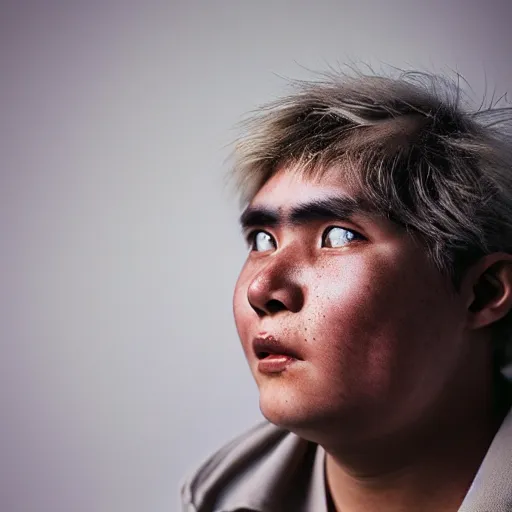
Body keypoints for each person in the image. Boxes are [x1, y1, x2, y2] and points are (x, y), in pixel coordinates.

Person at [180, 69, 512, 512]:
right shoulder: (219, 496)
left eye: (338, 235)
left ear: (485, 292)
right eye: (263, 240)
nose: (262, 289)